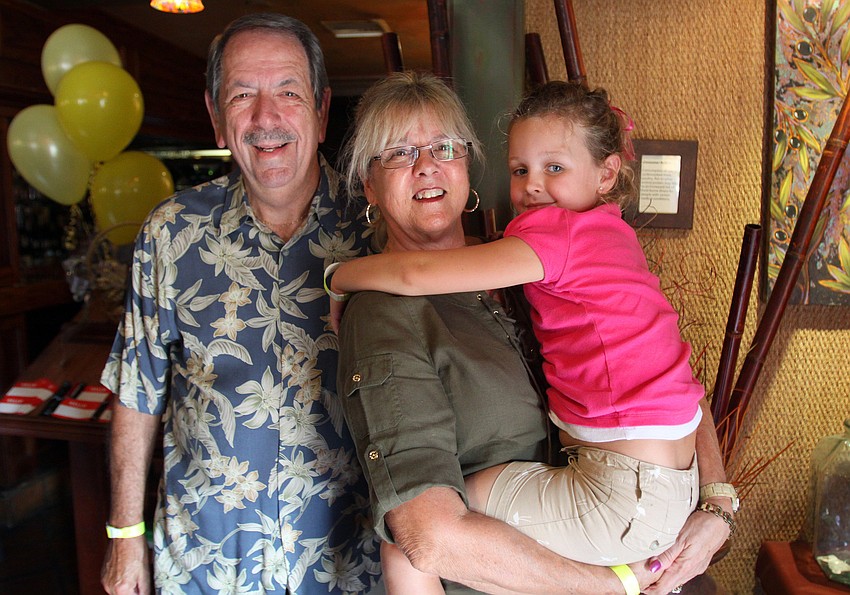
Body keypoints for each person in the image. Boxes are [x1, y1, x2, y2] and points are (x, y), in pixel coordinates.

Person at [329, 71, 735, 594]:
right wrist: (610, 586)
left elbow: (666, 372)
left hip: (646, 535)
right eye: (398, 152)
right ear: (369, 182)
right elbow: (426, 538)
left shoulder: (529, 262)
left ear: (467, 164)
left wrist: (718, 503)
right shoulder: (382, 315)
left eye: (443, 147)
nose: (426, 165)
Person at [99, 14, 383, 594]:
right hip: (207, 562)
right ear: (216, 117)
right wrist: (124, 535)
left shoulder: (377, 229)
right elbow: (137, 390)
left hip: (347, 563)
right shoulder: (170, 232)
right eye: (242, 95)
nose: (265, 118)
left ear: (322, 111)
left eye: (288, 92)